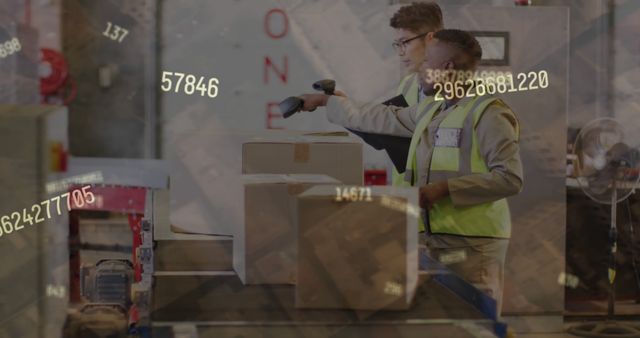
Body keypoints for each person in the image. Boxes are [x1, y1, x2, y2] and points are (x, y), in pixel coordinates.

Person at [296, 29, 523, 312]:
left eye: (427, 61)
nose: (419, 68)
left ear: (448, 67)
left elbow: (509, 178)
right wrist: (327, 102)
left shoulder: (489, 114)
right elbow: (380, 118)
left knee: (475, 324)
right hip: (435, 241)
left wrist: (442, 190)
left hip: (473, 248)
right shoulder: (432, 109)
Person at [389, 2, 443, 189]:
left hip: (458, 211)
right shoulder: (407, 85)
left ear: (430, 39)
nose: (400, 53)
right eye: (397, 44)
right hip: (414, 202)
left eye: (405, 42)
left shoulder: (463, 87)